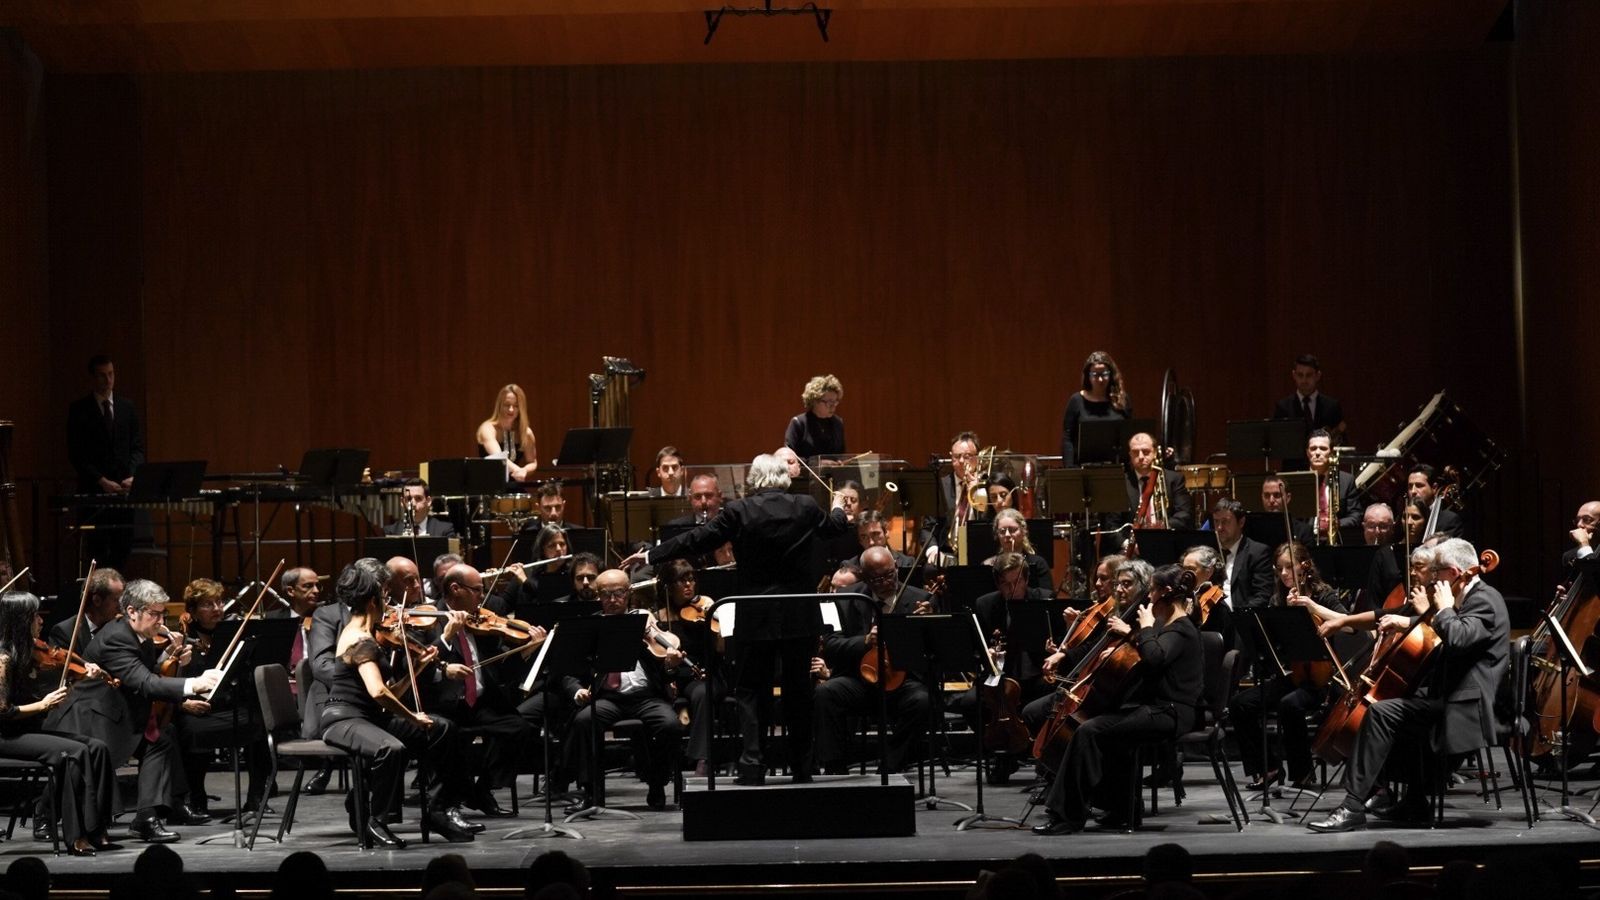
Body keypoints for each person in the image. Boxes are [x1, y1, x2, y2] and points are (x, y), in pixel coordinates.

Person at [631, 453, 850, 784]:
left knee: (751, 691)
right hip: (798, 614)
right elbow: (835, 527)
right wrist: (836, 505)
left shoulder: (739, 511)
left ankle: (753, 765)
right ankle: (802, 769)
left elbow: (697, 539)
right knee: (798, 691)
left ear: (754, 481)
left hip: (755, 613)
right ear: (783, 479)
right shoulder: (804, 506)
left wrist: (652, 553)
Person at [1309, 538, 1508, 831]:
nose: (1431, 579)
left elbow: (1459, 638)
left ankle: (1352, 806)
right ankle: (1415, 801)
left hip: (1466, 706)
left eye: (1436, 573)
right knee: (1398, 706)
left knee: (1381, 713)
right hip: (1448, 696)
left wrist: (1441, 609)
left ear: (1452, 572)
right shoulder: (1466, 597)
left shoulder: (1485, 600)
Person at [45, 579, 221, 843]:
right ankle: (44, 814)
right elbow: (145, 682)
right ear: (131, 611)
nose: (161, 621)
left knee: (161, 739)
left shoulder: (140, 633)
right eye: (154, 613)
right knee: (89, 760)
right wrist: (193, 684)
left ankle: (145, 819)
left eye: (163, 613)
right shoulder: (117, 638)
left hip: (117, 713)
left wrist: (172, 657)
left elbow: (149, 670)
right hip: (90, 717)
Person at [1032, 565, 1202, 834]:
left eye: (1154, 590)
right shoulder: (1165, 625)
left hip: (1170, 712)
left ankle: (1067, 816)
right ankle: (1121, 808)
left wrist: (1143, 629)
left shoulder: (1180, 629)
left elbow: (1155, 658)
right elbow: (1147, 657)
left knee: (1090, 731)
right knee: (1106, 727)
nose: (1150, 596)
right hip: (1152, 708)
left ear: (1167, 593)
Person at [317, 559, 474, 848]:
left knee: (442, 729)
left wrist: (419, 666)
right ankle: (377, 821)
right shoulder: (358, 638)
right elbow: (378, 692)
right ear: (372, 598)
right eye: (385, 596)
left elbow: (389, 692)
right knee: (391, 748)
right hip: (343, 717)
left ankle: (438, 810)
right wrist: (413, 718)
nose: (388, 603)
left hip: (368, 716)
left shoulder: (370, 634)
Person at [0, 590, 117, 855]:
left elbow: (49, 682)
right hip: (7, 735)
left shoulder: (28, 653)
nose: (41, 622)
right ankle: (75, 837)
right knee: (73, 753)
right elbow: (3, 712)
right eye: (35, 617)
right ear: (20, 620)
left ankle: (96, 829)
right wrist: (43, 705)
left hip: (27, 730)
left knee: (97, 747)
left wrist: (81, 678)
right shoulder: (3, 658)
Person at [561, 568, 684, 810]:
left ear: (628, 594)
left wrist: (670, 666)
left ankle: (657, 784)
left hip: (646, 697)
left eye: (618, 593)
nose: (613, 599)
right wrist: (577, 690)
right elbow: (568, 671)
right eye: (606, 594)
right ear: (598, 596)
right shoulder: (590, 626)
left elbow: (666, 669)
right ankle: (591, 792)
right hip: (608, 698)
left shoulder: (644, 623)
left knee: (670, 725)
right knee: (584, 721)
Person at [1228, 543, 1347, 791]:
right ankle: (1267, 767)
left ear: (1304, 567)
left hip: (1321, 680)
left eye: (1289, 568)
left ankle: (1302, 773)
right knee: (1241, 704)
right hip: (1293, 674)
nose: (1283, 574)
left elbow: (1349, 625)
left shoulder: (1325, 594)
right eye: (1279, 569)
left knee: (1290, 704)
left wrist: (1311, 607)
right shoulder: (1278, 599)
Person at [429, 564, 540, 818]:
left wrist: (526, 650)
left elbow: (500, 670)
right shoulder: (431, 619)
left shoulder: (482, 618)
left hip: (479, 702)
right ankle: (459, 795)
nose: (483, 595)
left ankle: (482, 789)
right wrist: (447, 637)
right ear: (456, 589)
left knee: (519, 728)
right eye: (478, 590)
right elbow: (421, 667)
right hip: (445, 704)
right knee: (451, 735)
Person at [815, 547, 933, 774]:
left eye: (890, 574)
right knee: (826, 694)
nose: (886, 582)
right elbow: (830, 645)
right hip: (859, 680)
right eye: (877, 579)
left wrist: (927, 625)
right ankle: (834, 768)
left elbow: (933, 651)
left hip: (901, 680)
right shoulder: (845, 598)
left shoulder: (922, 599)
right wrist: (865, 641)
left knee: (922, 701)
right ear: (865, 578)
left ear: (896, 567)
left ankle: (891, 766)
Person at [174, 579, 270, 821]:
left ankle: (256, 798)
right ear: (192, 612)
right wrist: (183, 704)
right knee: (193, 731)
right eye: (208, 604)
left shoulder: (232, 635)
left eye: (219, 602)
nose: (217, 608)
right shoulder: (181, 640)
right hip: (194, 709)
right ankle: (196, 796)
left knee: (258, 724)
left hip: (227, 706)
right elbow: (167, 680)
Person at [65, 355, 146, 569]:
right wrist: (101, 480)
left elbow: (136, 448)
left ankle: (117, 596)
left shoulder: (126, 407)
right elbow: (76, 454)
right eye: (102, 376)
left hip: (123, 492)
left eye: (111, 374)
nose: (108, 380)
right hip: (95, 491)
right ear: (93, 378)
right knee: (97, 549)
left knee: (123, 546)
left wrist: (132, 475)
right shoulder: (79, 410)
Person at [1271, 354, 1346, 468]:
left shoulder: (1332, 406)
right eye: (1300, 375)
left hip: (1325, 470)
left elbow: (1342, 443)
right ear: (1294, 375)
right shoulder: (1283, 407)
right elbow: (1277, 444)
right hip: (1292, 471)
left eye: (1309, 375)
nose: (1304, 380)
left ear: (1318, 375)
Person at [1058, 351, 1131, 465]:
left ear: (1111, 374)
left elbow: (1129, 436)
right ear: (1088, 375)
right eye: (1095, 375)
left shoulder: (1122, 400)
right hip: (1083, 467)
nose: (1100, 380)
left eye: (1104, 374)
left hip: (1115, 467)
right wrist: (1070, 469)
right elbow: (1067, 439)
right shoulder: (1077, 400)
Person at [1122, 433, 1191, 529]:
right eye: (1135, 452)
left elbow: (1184, 514)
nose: (1141, 456)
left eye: (1146, 452)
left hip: (1165, 538)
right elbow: (1112, 523)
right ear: (1130, 454)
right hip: (1133, 541)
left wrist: (1163, 526)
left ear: (1154, 453)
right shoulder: (1121, 482)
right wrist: (1125, 543)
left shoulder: (1174, 479)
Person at [47, 567, 124, 650]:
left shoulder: (120, 626)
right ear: (97, 600)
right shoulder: (65, 632)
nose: (121, 605)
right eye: (116, 600)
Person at [1306, 429, 1360, 543]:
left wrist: (1336, 524)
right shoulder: (1299, 480)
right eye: (1313, 448)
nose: (1317, 452)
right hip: (1307, 540)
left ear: (1331, 452)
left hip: (1337, 541)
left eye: (1323, 448)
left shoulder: (1347, 480)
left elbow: (1356, 515)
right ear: (1307, 452)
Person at [476, 384, 538, 482]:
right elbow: (499, 457)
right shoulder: (487, 428)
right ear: (499, 405)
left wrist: (524, 470)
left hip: (513, 486)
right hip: (488, 485)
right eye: (507, 405)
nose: (511, 409)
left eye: (516, 406)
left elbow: (533, 463)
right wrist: (518, 470)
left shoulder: (526, 432)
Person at [986, 509, 1052, 592]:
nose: (1007, 535)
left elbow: (1047, 596)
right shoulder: (990, 565)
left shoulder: (1038, 564)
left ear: (1023, 531)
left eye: (1012, 530)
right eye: (1002, 531)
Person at [784, 375, 845, 462]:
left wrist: (840, 461)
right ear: (815, 401)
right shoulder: (799, 423)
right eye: (829, 402)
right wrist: (817, 464)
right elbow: (790, 459)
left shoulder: (837, 423)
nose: (833, 406)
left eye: (836, 401)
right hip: (805, 475)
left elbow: (841, 454)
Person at [1407, 464, 1464, 540]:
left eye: (1419, 485)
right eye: (1410, 486)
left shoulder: (1449, 521)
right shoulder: (1405, 519)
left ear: (1434, 488)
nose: (1413, 491)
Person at [385, 479, 456, 537]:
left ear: (428, 501)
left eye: (418, 498)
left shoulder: (445, 530)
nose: (413, 503)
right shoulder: (390, 531)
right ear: (402, 502)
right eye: (408, 499)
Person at [1259, 475, 1314, 546]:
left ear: (1288, 498)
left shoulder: (1303, 531)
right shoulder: (1253, 530)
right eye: (1267, 495)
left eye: (1277, 495)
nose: (1271, 500)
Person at [1563, 500, 1600, 570]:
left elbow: (1594, 577)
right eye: (1577, 520)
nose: (1579, 525)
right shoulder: (1569, 556)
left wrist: (1583, 543)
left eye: (1587, 520)